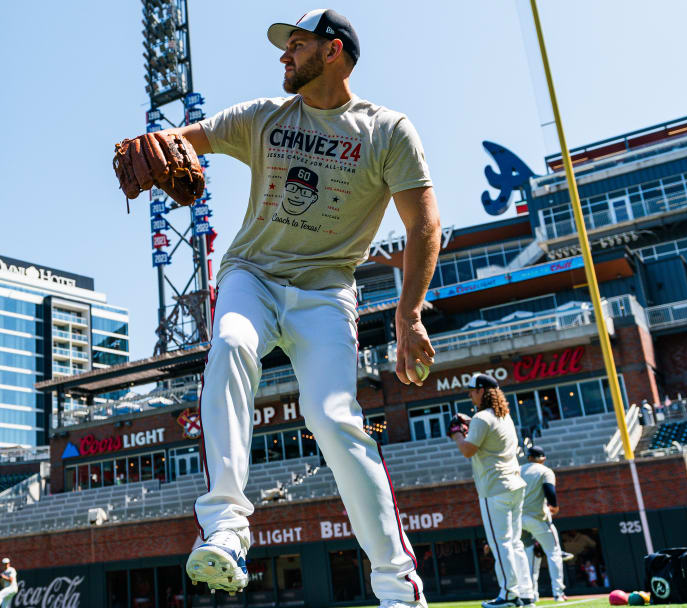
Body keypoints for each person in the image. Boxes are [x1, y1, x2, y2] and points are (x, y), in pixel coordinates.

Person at [140, 8, 440, 607]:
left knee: (333, 418)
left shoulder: (386, 131)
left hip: (327, 292)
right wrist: (155, 146)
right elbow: (184, 139)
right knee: (229, 346)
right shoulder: (262, 117)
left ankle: (397, 586)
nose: (284, 56)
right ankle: (225, 528)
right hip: (252, 274)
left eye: (295, 45)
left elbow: (423, 225)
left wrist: (409, 315)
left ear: (332, 53)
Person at [451, 374, 534, 608]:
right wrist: (468, 424)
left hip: (494, 487)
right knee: (515, 542)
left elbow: (467, 450)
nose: (470, 394)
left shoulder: (481, 418)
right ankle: (526, 593)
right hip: (514, 484)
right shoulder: (504, 416)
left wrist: (457, 433)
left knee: (500, 543)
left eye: (472, 390)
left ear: (481, 391)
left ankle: (508, 594)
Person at [519, 446, 566, 602]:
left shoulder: (518, 470)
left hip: (518, 519)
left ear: (529, 457)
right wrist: (554, 506)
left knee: (529, 555)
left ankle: (531, 594)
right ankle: (558, 593)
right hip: (537, 518)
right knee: (554, 554)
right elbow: (549, 490)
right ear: (542, 458)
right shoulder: (544, 470)